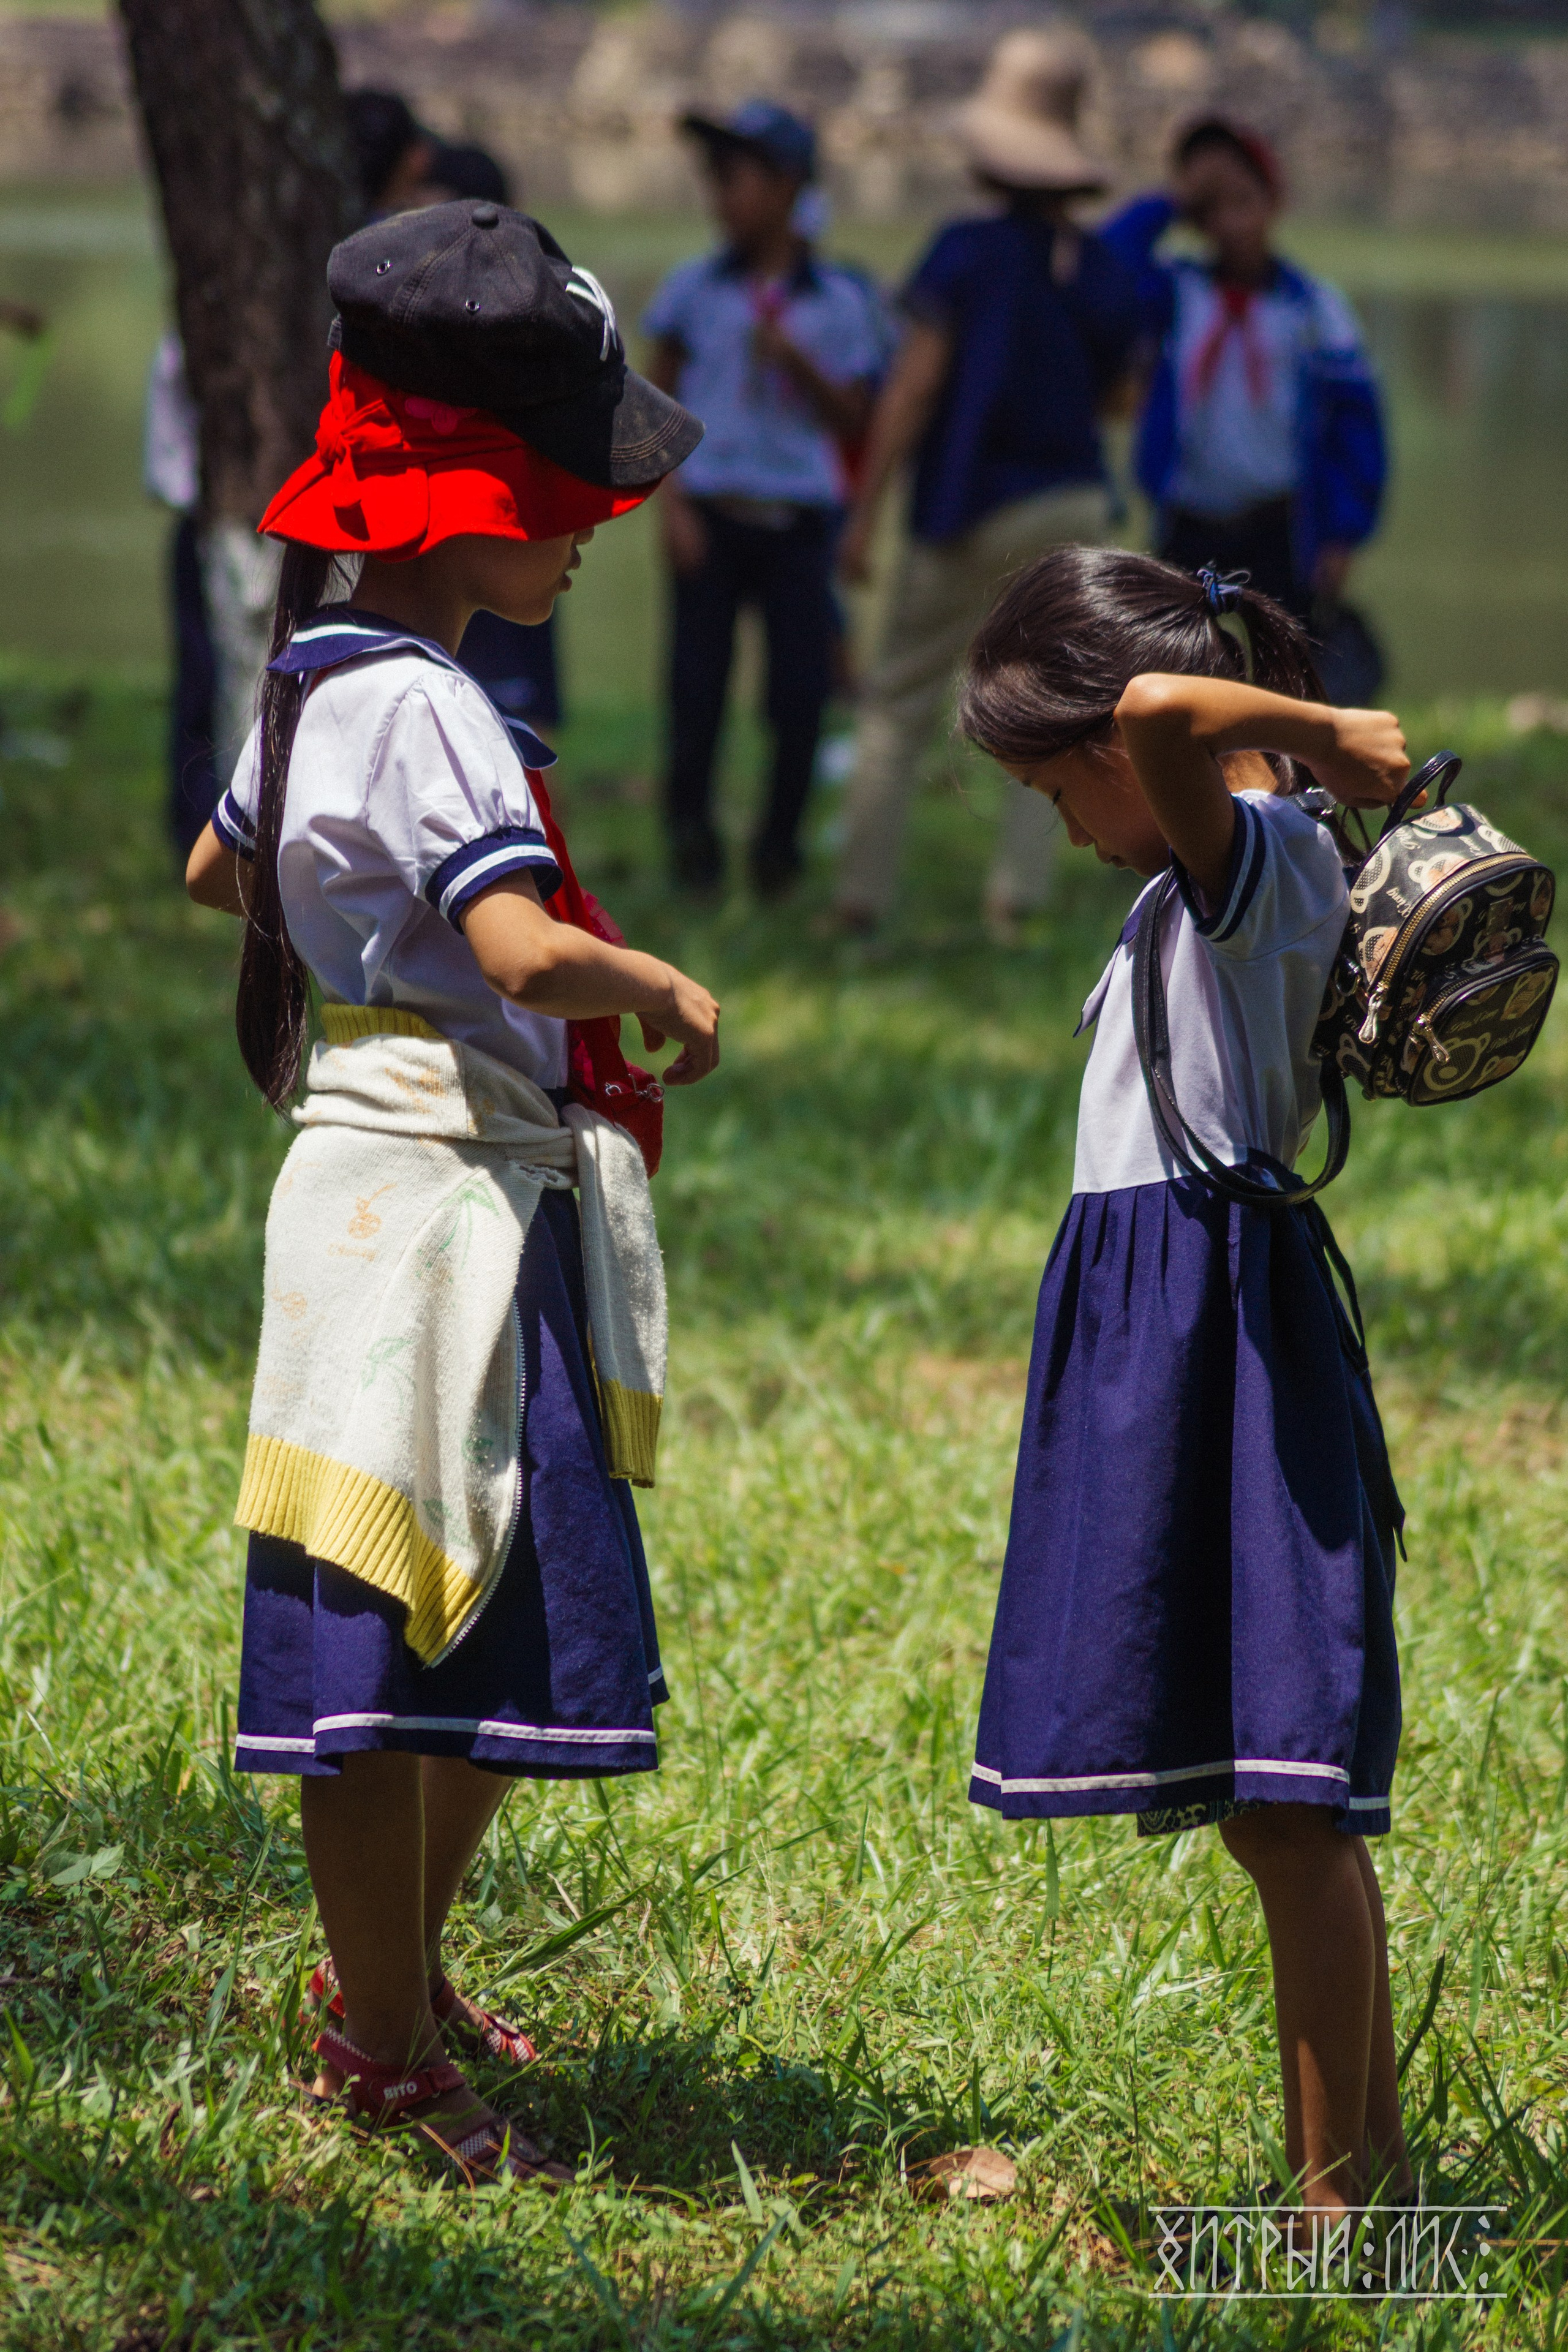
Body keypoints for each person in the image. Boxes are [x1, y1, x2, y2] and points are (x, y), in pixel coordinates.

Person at [184, 202, 717, 2187]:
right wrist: (646, 978)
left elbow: (215, 878)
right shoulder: (429, 704)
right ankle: (386, 2040)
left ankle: (382, 1983)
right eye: (569, 490)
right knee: (438, 1612)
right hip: (449, 1199)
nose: (595, 525)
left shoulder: (309, 679)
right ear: (471, 498)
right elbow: (512, 947)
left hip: (356, 1171)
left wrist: (350, 928)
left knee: (414, 1593)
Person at [957, 545, 1412, 2215]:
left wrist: (1323, 728)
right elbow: (1151, 721)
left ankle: (1343, 2211)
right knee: (1275, 1806)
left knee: (1292, 1811)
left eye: (1050, 787)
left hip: (1219, 1327)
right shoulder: (1215, 870)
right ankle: (1361, 2179)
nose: (1066, 825)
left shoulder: (1257, 850)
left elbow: (1160, 707)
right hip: (1178, 1328)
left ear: (1105, 752)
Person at [831, 31, 1142, 939]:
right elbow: (1122, 395)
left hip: (968, 506)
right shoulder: (1103, 267)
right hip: (1076, 504)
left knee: (898, 701)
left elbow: (915, 387)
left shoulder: (962, 254)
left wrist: (864, 516)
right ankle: (1018, 902)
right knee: (1057, 707)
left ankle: (860, 900)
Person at [643, 100, 884, 898]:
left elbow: (856, 417)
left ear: (787, 187)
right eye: (713, 182)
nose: (721, 199)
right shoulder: (693, 292)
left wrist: (798, 361)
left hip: (797, 523)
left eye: (736, 180)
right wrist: (671, 509)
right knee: (696, 691)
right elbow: (656, 404)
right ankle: (692, 847)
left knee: (798, 695)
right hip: (712, 515)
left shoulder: (840, 303)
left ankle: (778, 853)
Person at [1101, 119, 1387, 699]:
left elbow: (1359, 429)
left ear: (1272, 202)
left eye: (1244, 201)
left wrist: (1343, 534)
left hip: (1279, 526)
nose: (1231, 223)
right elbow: (1105, 262)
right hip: (1188, 519)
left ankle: (1286, 786)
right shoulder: (1177, 292)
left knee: (1285, 682)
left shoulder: (1312, 308)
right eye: (1213, 207)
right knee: (1181, 677)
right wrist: (1172, 203)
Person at [143, 330, 219, 856]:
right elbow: (164, 469)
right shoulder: (182, 347)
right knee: (199, 679)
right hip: (204, 525)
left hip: (274, 534)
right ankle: (192, 832)